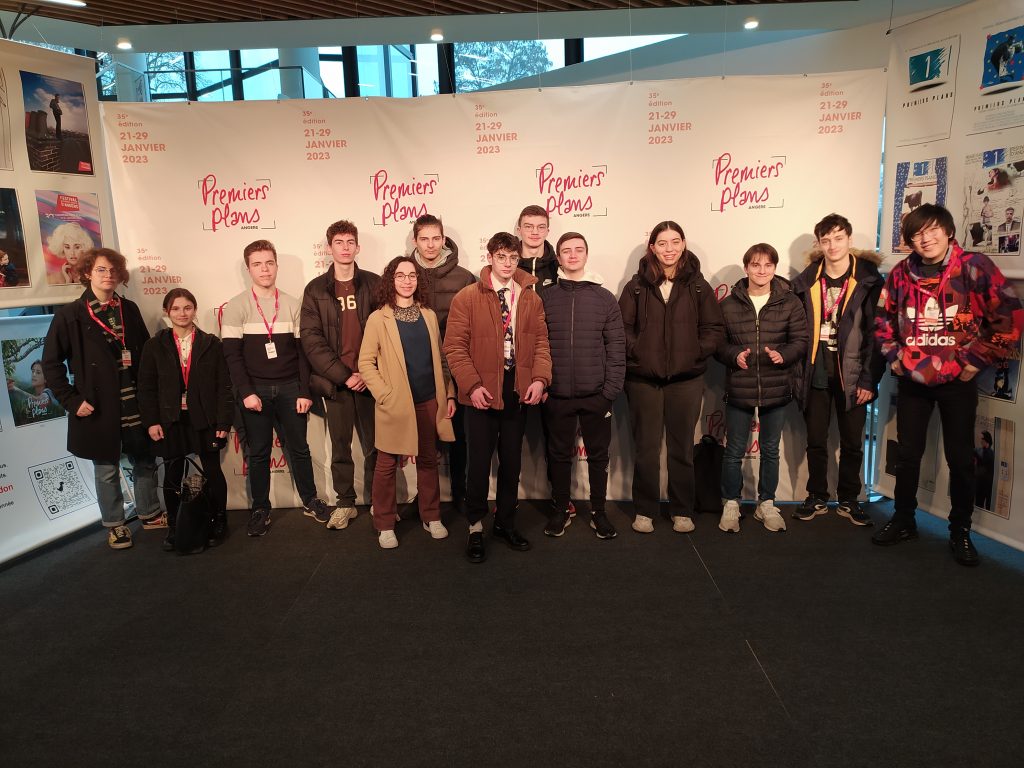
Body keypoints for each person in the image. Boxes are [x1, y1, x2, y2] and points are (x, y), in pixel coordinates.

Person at [874, 203, 1023, 566]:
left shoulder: (974, 266)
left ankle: (960, 530)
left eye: (932, 230)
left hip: (957, 380)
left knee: (960, 458)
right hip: (913, 379)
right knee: (908, 455)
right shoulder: (901, 273)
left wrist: (975, 361)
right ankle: (904, 519)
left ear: (948, 231)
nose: (925, 239)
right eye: (916, 234)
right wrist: (894, 357)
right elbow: (882, 320)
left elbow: (1009, 316)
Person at [41, 247, 162, 550]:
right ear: (87, 273)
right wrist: (71, 401)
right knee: (107, 468)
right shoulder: (70, 315)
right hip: (98, 403)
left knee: (145, 458)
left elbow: (147, 354)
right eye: (100, 269)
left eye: (113, 270)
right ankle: (115, 524)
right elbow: (51, 364)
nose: (108, 275)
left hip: (134, 398)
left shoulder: (129, 308)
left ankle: (149, 512)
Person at [443, 232, 551, 563]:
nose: (507, 264)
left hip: (517, 389)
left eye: (513, 258)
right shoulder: (467, 297)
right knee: (477, 464)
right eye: (501, 257)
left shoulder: (530, 298)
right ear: (490, 257)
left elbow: (542, 344)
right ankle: (475, 526)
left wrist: (540, 379)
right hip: (481, 392)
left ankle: (505, 523)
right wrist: (472, 385)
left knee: (512, 462)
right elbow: (454, 348)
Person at [221, 239, 335, 537]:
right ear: (248, 269)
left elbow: (303, 354)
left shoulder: (293, 304)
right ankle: (261, 508)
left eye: (269, 263)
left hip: (290, 389)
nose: (264, 269)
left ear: (276, 266)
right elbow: (232, 356)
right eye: (257, 264)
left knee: (300, 449)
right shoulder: (236, 306)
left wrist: (304, 392)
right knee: (258, 453)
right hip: (255, 391)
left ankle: (310, 499)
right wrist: (246, 392)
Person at [618, 221, 725, 534]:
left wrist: (695, 352)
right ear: (652, 247)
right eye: (662, 243)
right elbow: (621, 329)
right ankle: (645, 510)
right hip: (643, 380)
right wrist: (638, 352)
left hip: (686, 380)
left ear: (683, 244)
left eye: (675, 242)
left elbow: (714, 329)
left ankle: (682, 510)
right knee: (646, 450)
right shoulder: (635, 287)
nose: (669, 249)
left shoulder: (699, 286)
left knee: (682, 450)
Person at [791, 213, 883, 526]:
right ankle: (816, 496)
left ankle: (849, 499)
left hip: (854, 373)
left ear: (849, 240)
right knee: (816, 440)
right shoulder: (806, 281)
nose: (832, 246)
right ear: (819, 243)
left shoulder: (869, 280)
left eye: (838, 238)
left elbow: (878, 334)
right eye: (826, 240)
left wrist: (870, 378)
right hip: (816, 371)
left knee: (853, 442)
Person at [358, 256, 455, 549]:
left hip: (428, 400)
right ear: (391, 280)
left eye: (412, 275)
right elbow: (365, 363)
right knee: (386, 464)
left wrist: (448, 393)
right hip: (395, 404)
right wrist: (385, 394)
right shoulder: (378, 318)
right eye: (400, 275)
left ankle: (431, 515)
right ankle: (385, 523)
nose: (407, 280)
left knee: (427, 460)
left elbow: (441, 360)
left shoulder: (428, 315)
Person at [716, 243, 808, 533]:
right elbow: (717, 344)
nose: (762, 270)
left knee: (770, 450)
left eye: (768, 265)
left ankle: (766, 503)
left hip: (777, 386)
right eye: (755, 265)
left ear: (775, 268)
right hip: (740, 387)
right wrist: (734, 355)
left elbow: (801, 340)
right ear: (746, 268)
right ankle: (731, 503)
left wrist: (785, 355)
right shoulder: (728, 305)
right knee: (733, 450)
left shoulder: (790, 303)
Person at [540, 232, 625, 539]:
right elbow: (537, 345)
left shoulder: (605, 298)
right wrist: (544, 386)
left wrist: (609, 391)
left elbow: (616, 347)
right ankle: (560, 510)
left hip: (596, 395)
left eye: (578, 250)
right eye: (566, 250)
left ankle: (599, 512)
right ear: (558, 257)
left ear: (587, 255)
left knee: (598, 456)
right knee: (558, 455)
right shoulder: (546, 297)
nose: (573, 255)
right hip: (556, 395)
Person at [138, 288, 234, 552]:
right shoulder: (154, 346)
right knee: (172, 473)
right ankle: (175, 525)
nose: (182, 313)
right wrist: (151, 421)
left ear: (195, 309)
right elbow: (146, 388)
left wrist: (223, 423)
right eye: (176, 308)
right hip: (170, 420)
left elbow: (224, 386)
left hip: (205, 418)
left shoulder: (212, 344)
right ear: (167, 312)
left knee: (212, 471)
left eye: (188, 307)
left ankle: (219, 520)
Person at [300, 220, 380, 530]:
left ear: (358, 247)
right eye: (339, 242)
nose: (345, 248)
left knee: (378, 446)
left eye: (350, 242)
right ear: (329, 248)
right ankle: (345, 503)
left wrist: (369, 373)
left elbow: (387, 332)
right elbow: (312, 340)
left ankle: (379, 502)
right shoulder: (315, 289)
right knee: (341, 447)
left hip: (372, 381)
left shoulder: (375, 284)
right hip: (337, 383)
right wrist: (345, 376)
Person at [408, 213, 475, 507]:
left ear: (444, 239)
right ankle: (426, 498)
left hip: (456, 365)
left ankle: (461, 492)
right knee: (424, 437)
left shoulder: (464, 277)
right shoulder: (404, 273)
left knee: (459, 434)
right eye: (424, 239)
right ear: (415, 241)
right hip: (418, 367)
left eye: (436, 238)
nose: (431, 245)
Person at [514, 204, 558, 289]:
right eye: (528, 227)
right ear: (519, 230)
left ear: (547, 231)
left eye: (541, 227)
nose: (535, 232)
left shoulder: (559, 267)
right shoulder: (507, 266)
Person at [7, 359, 65, 424]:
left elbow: (39, 401)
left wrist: (15, 389)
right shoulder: (31, 391)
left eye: (38, 372)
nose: (34, 374)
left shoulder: (49, 392)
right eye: (33, 371)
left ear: (46, 379)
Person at [974, 431, 994, 511]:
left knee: (984, 505)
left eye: (982, 439)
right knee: (978, 504)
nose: (981, 441)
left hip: (986, 484)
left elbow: (984, 462)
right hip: (980, 482)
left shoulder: (990, 453)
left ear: (987, 440)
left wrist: (976, 455)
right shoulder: (980, 450)